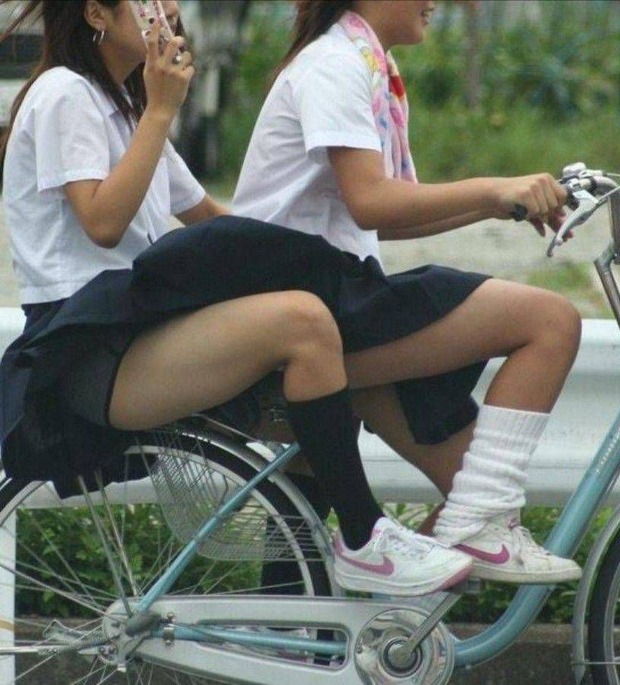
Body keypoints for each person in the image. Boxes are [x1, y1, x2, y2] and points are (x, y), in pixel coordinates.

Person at [0, 0, 474, 598]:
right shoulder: (65, 93)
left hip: (135, 327)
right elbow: (102, 222)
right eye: (148, 0)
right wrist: (163, 111)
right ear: (96, 13)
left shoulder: (123, 103)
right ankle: (364, 537)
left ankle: (292, 616)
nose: (169, 10)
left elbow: (208, 218)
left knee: (328, 377)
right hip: (86, 347)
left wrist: (303, 250)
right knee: (302, 325)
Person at [232, 0, 583, 584]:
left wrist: (499, 205)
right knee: (550, 320)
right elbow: (372, 201)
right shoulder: (335, 65)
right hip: (309, 305)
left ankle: (399, 607)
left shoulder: (365, 65)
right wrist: (494, 189)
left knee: (464, 480)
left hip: (328, 294)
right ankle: (477, 527)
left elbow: (382, 218)